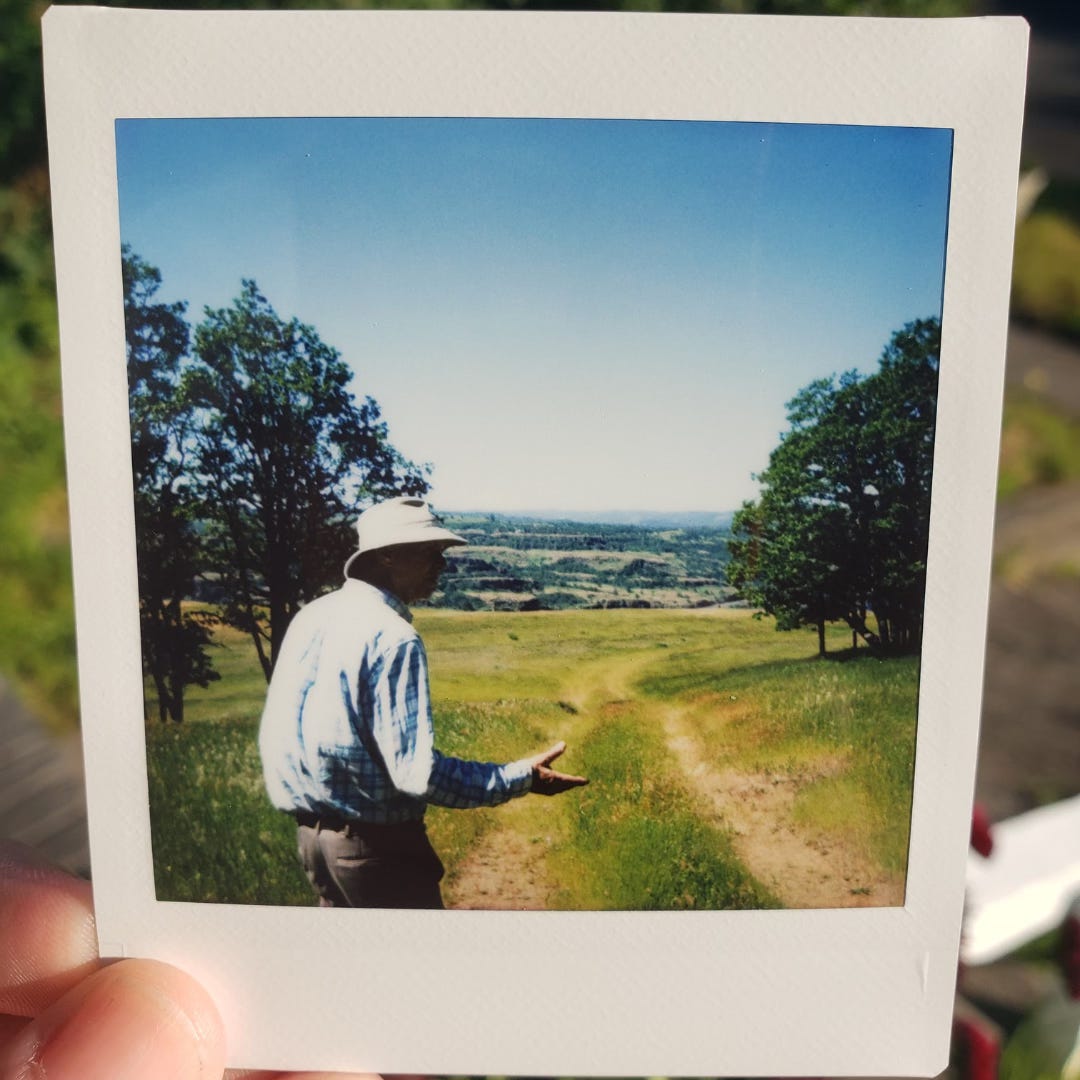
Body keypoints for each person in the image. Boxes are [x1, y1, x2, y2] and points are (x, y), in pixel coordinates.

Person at [258, 496, 587, 909]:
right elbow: (418, 775)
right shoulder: (394, 638)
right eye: (430, 552)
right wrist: (522, 778)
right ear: (388, 556)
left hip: (313, 845)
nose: (442, 565)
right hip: (377, 852)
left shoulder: (312, 616)